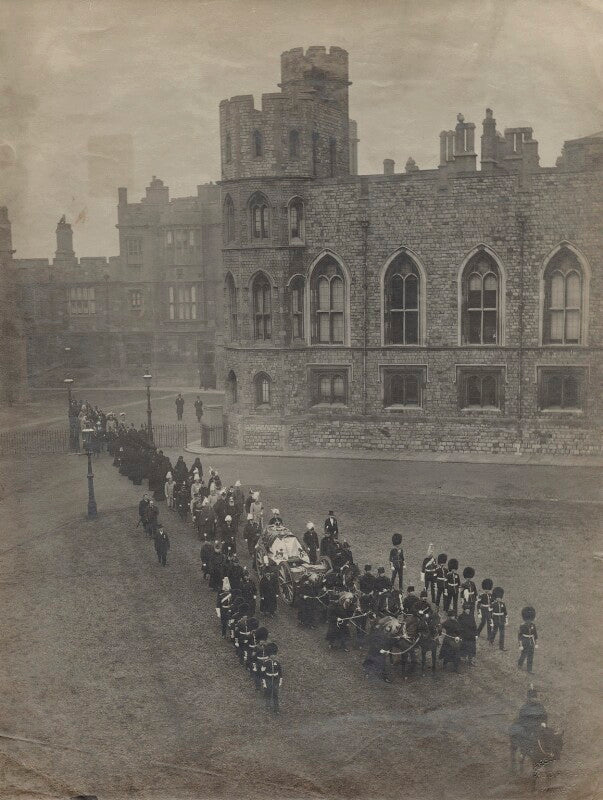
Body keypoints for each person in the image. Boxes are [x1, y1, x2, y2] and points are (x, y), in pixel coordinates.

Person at [261, 643, 282, 714]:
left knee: (275, 694)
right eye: (272, 654)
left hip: (275, 680)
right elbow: (263, 674)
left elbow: (280, 673)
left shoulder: (277, 663)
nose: (273, 656)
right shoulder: (266, 663)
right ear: (270, 655)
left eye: (274, 654)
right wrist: (264, 683)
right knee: (268, 692)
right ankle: (268, 704)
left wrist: (280, 682)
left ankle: (276, 709)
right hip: (268, 679)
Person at [518, 606, 538, 674]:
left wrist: (536, 643)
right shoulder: (522, 625)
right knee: (524, 654)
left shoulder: (533, 625)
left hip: (531, 642)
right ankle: (520, 664)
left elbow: (535, 635)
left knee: (531, 655)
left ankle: (529, 669)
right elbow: (520, 636)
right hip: (525, 641)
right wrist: (520, 645)